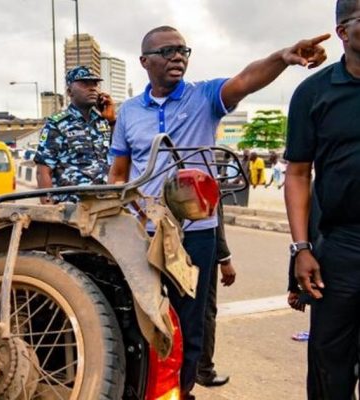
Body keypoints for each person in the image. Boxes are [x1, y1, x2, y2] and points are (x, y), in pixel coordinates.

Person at [108, 25, 328, 398]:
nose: (178, 57)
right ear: (145, 61)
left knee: (190, 322)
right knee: (140, 317)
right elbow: (118, 176)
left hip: (196, 234)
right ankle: (141, 388)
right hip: (142, 235)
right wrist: (127, 211)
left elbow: (245, 79)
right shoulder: (128, 112)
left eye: (183, 50)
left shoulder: (204, 97)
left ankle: (182, 390)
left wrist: (282, 57)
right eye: (167, 51)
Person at [284, 1, 360, 397]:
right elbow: (298, 174)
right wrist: (301, 249)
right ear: (343, 32)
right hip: (340, 248)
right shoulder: (313, 93)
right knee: (331, 368)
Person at [34, 66, 116, 204]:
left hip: (105, 204)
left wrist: (112, 120)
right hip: (72, 209)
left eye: (95, 84)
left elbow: (120, 154)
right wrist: (49, 210)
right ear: (69, 91)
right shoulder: (57, 124)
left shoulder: (104, 121)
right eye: (85, 84)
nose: (93, 88)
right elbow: (43, 171)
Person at [196, 205, 236, 387]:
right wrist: (225, 258)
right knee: (204, 310)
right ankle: (203, 370)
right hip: (198, 243)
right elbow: (213, 217)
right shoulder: (204, 176)